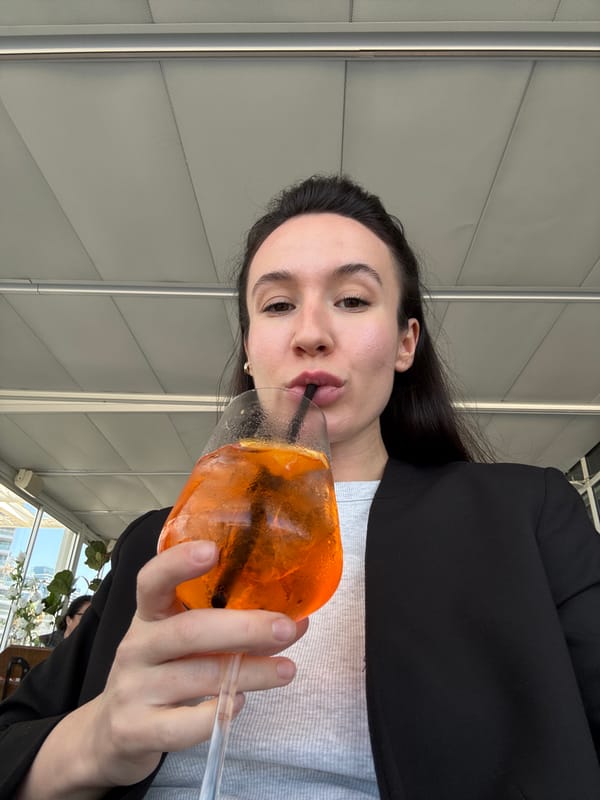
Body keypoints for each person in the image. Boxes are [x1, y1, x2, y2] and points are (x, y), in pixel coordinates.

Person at [0, 175, 599, 800]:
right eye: (278, 305)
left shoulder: (523, 516)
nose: (310, 333)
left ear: (405, 343)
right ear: (249, 350)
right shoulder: (158, 543)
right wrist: (94, 741)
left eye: (353, 300)